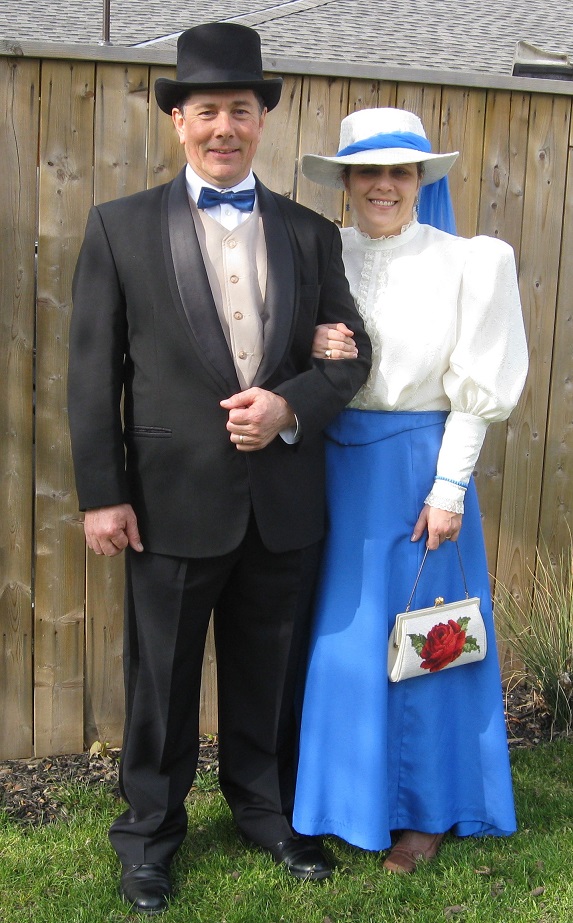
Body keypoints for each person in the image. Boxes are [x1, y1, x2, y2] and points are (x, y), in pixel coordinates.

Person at [67, 22, 370, 915]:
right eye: (206, 111)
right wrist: (101, 495)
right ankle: (150, 835)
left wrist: (291, 405)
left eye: (241, 109)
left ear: (263, 118)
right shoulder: (119, 229)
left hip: (280, 498)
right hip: (167, 504)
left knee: (268, 667)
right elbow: (91, 374)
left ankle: (267, 812)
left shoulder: (313, 235)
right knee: (158, 678)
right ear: (179, 121)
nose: (223, 127)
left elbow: (352, 357)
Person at [292, 107, 529, 873]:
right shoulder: (320, 253)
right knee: (341, 643)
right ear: (348, 182)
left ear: (421, 178)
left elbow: (477, 388)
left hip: (418, 471)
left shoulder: (471, 261)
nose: (383, 185)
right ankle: (339, 799)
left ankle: (423, 812)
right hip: (331, 466)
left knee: (428, 641)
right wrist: (315, 345)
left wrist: (450, 486)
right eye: (369, 171)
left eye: (400, 171)